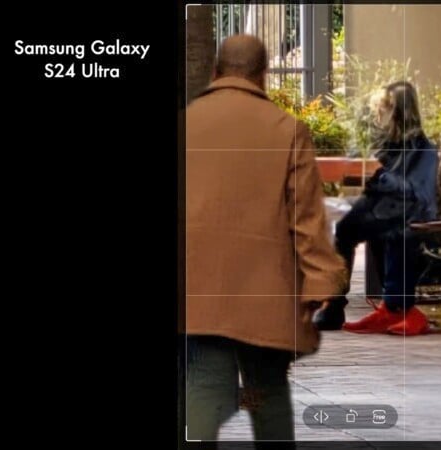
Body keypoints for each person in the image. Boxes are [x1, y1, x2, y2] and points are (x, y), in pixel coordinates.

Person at [185, 34, 346, 442]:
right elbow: (308, 219)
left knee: (204, 383)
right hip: (265, 290)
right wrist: (321, 281)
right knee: (268, 389)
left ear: (216, 72)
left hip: (198, 286)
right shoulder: (288, 130)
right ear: (263, 76)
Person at [313, 81, 438, 336]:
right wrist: (350, 168)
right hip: (380, 208)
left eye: (384, 108)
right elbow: (368, 176)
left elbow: (416, 194)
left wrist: (378, 174)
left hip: (409, 212)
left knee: (396, 231)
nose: (378, 114)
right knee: (345, 229)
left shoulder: (424, 151)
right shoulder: (383, 145)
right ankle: (333, 304)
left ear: (399, 112)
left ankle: (399, 307)